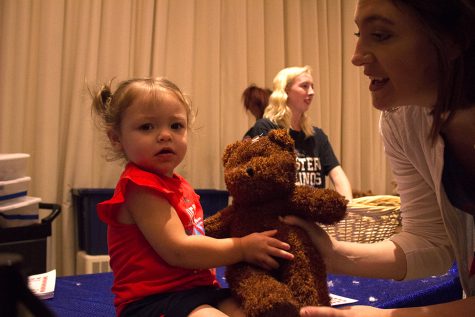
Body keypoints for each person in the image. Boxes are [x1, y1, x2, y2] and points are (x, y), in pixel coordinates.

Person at [282, 0, 475, 316]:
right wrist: (332, 255)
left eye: (381, 35)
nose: (356, 57)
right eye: (359, 33)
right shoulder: (401, 120)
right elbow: (433, 242)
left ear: (454, 38)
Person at [90, 77, 294, 317]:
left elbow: (199, 234)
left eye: (176, 126)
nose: (165, 135)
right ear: (116, 138)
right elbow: (178, 250)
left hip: (198, 291)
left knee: (260, 311)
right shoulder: (140, 188)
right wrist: (241, 247)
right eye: (147, 127)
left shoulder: (178, 184)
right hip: (153, 301)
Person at [244, 66, 353, 201]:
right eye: (305, 86)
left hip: (315, 213)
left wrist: (349, 210)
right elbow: (270, 177)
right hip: (283, 216)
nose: (312, 92)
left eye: (312, 87)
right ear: (286, 90)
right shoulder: (266, 128)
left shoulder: (317, 135)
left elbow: (338, 176)